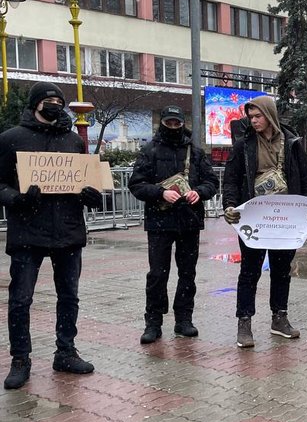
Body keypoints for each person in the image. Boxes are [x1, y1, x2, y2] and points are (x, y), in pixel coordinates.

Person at [0, 82, 104, 389]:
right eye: (49, 100)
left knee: (69, 296)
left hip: (68, 231)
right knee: (20, 300)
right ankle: (20, 359)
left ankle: (66, 351)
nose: (55, 105)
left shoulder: (74, 141)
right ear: (35, 104)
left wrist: (92, 196)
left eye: (59, 100)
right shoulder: (10, 139)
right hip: (27, 232)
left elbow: (89, 183)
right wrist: (17, 199)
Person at [222, 95, 307, 348]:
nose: (253, 121)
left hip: (286, 218)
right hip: (255, 217)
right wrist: (230, 206)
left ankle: (279, 318)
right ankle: (244, 323)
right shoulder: (243, 144)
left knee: (281, 270)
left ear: (270, 115)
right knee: (250, 272)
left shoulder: (292, 142)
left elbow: (306, 179)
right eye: (250, 117)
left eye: (258, 116)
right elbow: (231, 180)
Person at [129, 106, 219, 344]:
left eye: (176, 123)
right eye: (168, 123)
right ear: (162, 123)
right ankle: (153, 322)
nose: (172, 127)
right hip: (159, 222)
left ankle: (184, 319)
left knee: (187, 273)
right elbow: (136, 184)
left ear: (182, 123)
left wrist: (199, 192)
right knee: (157, 274)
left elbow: (212, 181)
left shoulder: (196, 152)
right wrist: (160, 193)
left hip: (189, 221)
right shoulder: (149, 151)